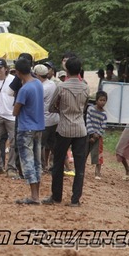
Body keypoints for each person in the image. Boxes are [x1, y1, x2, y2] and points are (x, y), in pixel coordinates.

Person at [42, 56, 89, 207]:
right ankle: (75, 199)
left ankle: (56, 197)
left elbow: (51, 107)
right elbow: (85, 106)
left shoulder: (62, 87)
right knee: (80, 166)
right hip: (81, 129)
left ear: (66, 70)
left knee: (58, 163)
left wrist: (61, 110)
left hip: (63, 129)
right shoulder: (86, 87)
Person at [12, 58, 45, 204]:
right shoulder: (38, 83)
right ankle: (36, 193)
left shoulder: (24, 89)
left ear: (18, 73)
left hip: (26, 128)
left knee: (27, 161)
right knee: (37, 161)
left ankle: (34, 196)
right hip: (38, 126)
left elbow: (15, 111)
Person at [35, 64, 59, 172]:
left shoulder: (41, 88)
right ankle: (55, 165)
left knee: (39, 145)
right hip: (54, 119)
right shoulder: (52, 84)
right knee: (53, 145)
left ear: (38, 75)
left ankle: (41, 166)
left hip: (44, 120)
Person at [87, 91, 107, 180]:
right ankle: (80, 170)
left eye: (104, 100)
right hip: (88, 134)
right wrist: (91, 133)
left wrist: (97, 135)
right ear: (96, 100)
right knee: (84, 152)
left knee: (98, 154)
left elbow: (103, 126)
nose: (102, 102)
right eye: (101, 100)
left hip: (98, 137)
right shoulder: (90, 109)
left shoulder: (104, 113)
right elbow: (88, 121)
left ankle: (97, 171)